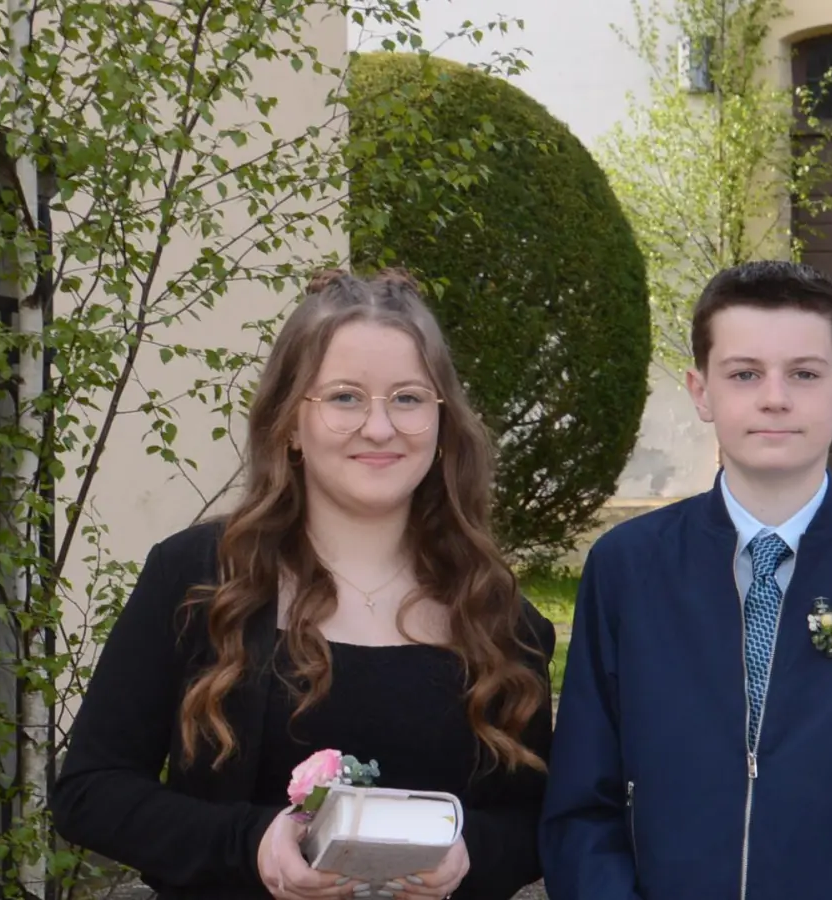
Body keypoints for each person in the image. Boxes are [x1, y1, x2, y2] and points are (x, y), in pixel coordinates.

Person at [52, 269, 555, 900]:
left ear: (443, 421)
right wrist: (254, 846)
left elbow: (540, 819)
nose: (379, 427)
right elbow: (90, 791)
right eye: (345, 397)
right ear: (290, 423)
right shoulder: (199, 580)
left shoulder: (499, 614)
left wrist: (468, 855)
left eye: (407, 398)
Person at [539, 260, 832, 899]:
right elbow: (580, 803)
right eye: (744, 374)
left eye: (804, 374)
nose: (775, 397)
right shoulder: (628, 568)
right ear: (701, 391)